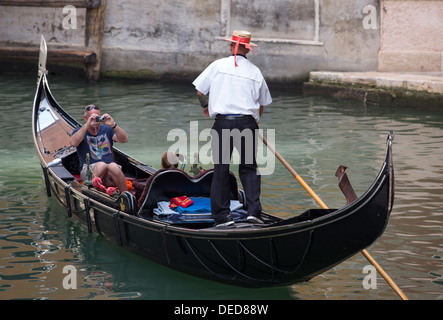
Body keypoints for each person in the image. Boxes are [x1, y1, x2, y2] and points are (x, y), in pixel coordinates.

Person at [192, 30, 272, 228]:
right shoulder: (255, 72)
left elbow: (200, 90)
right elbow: (262, 102)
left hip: (223, 122)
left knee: (221, 169)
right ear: (248, 49)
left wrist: (205, 107)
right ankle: (253, 212)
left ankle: (222, 216)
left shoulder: (217, 66)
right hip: (247, 123)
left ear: (231, 46)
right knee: (249, 168)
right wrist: (256, 119)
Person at [69, 104, 129, 192]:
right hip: (89, 171)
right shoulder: (79, 131)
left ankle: (125, 194)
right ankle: (90, 191)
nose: (95, 121)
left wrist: (113, 125)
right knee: (101, 165)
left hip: (109, 172)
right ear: (85, 118)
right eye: (91, 118)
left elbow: (124, 140)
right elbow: (73, 143)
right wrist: (87, 125)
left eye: (97, 118)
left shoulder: (107, 129)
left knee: (114, 166)